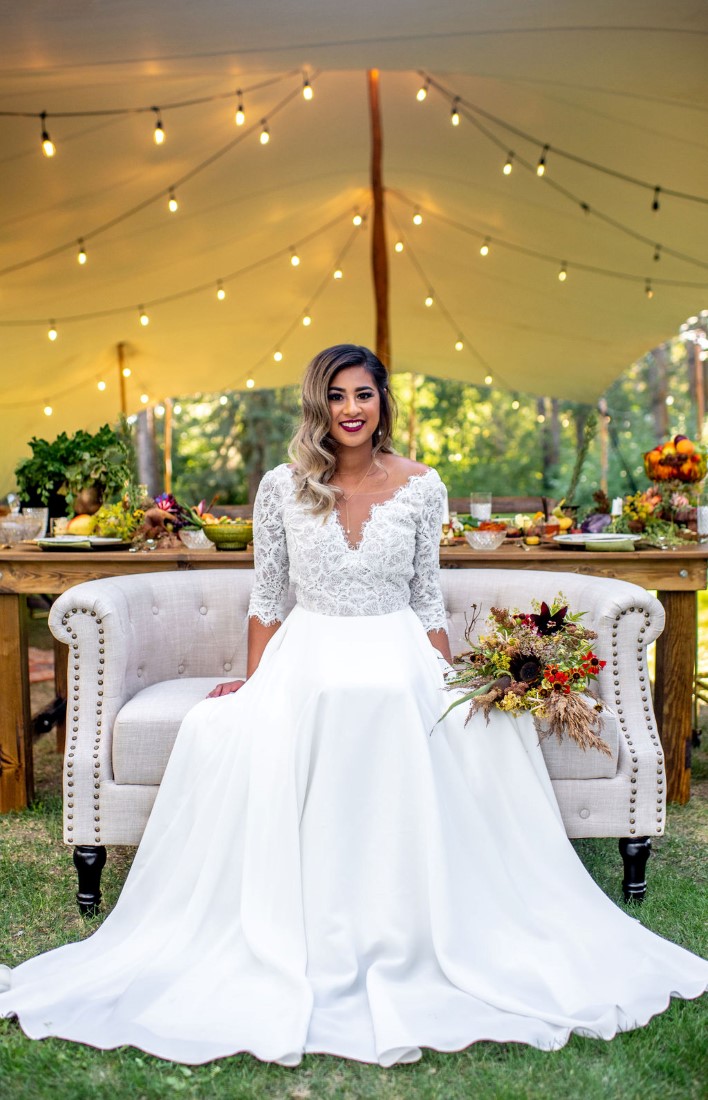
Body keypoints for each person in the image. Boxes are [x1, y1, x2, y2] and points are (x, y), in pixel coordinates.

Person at [0, 343, 705, 1067]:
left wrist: (450, 671)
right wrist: (256, 681)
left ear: (382, 403)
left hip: (397, 646)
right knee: (289, 711)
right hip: (312, 647)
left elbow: (427, 595)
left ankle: (419, 921)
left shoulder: (424, 485)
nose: (350, 410)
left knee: (438, 715)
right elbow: (269, 597)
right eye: (336, 396)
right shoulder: (284, 486)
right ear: (319, 405)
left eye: (363, 395)